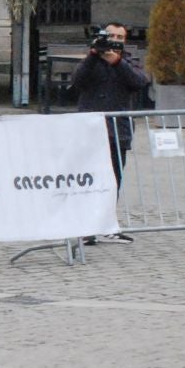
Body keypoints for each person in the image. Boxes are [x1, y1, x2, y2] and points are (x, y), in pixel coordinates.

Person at [68, 20, 148, 240]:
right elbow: (77, 81)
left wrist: (118, 62)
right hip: (91, 130)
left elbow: (140, 82)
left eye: (120, 38)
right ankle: (86, 228)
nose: (115, 41)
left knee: (114, 179)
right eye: (111, 37)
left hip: (117, 130)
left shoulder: (128, 61)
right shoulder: (91, 62)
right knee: (89, 178)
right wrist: (94, 55)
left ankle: (107, 224)